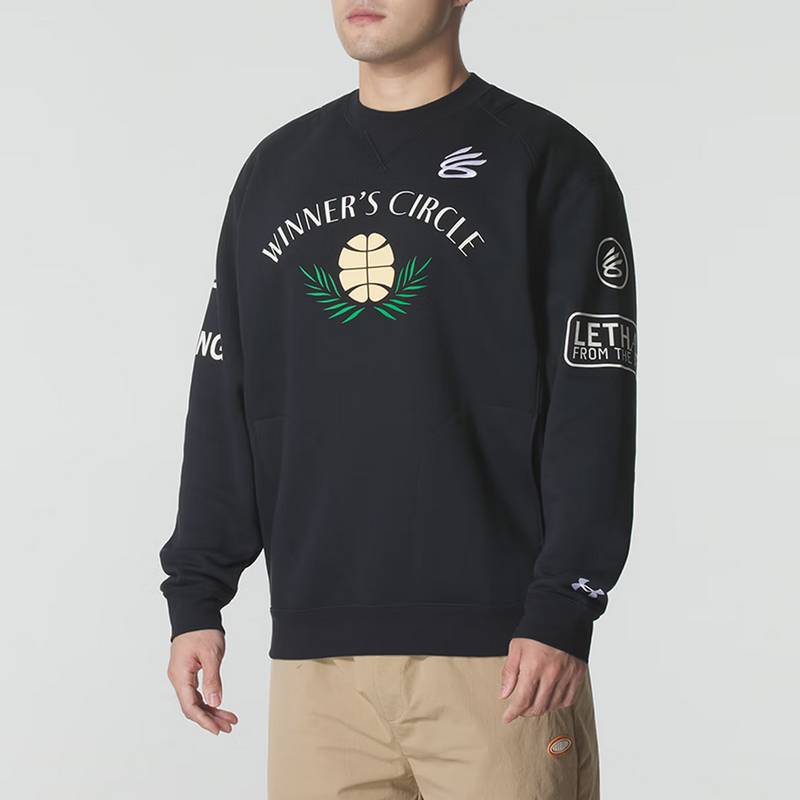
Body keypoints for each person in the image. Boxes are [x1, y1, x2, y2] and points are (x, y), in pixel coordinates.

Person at [159, 1, 637, 797]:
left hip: (500, 657)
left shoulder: (546, 162)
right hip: (317, 660)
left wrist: (565, 604)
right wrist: (197, 595)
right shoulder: (277, 170)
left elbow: (593, 404)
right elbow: (225, 393)